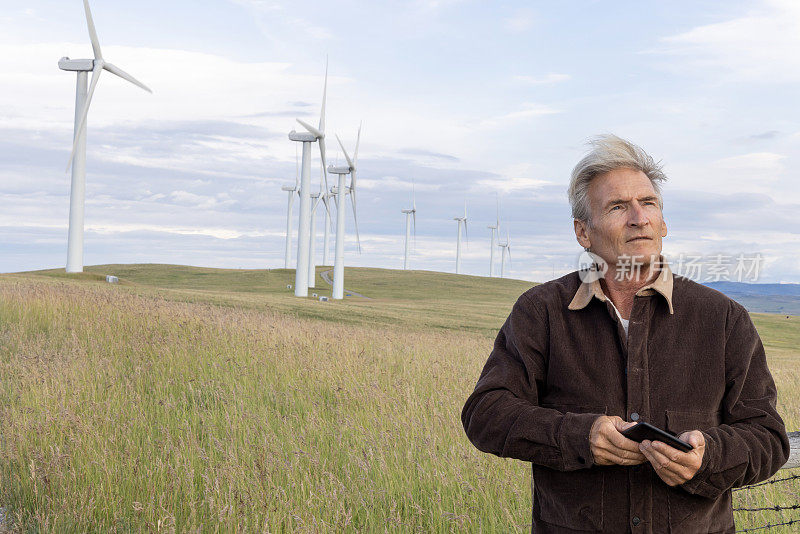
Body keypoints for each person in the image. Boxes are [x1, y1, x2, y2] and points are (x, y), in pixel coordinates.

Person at [461, 135, 789, 534]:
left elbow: (767, 437)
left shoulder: (723, 318)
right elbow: (485, 413)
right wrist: (579, 437)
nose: (639, 217)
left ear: (663, 222)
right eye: (618, 207)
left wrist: (708, 457)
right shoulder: (541, 312)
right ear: (584, 232)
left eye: (648, 203)